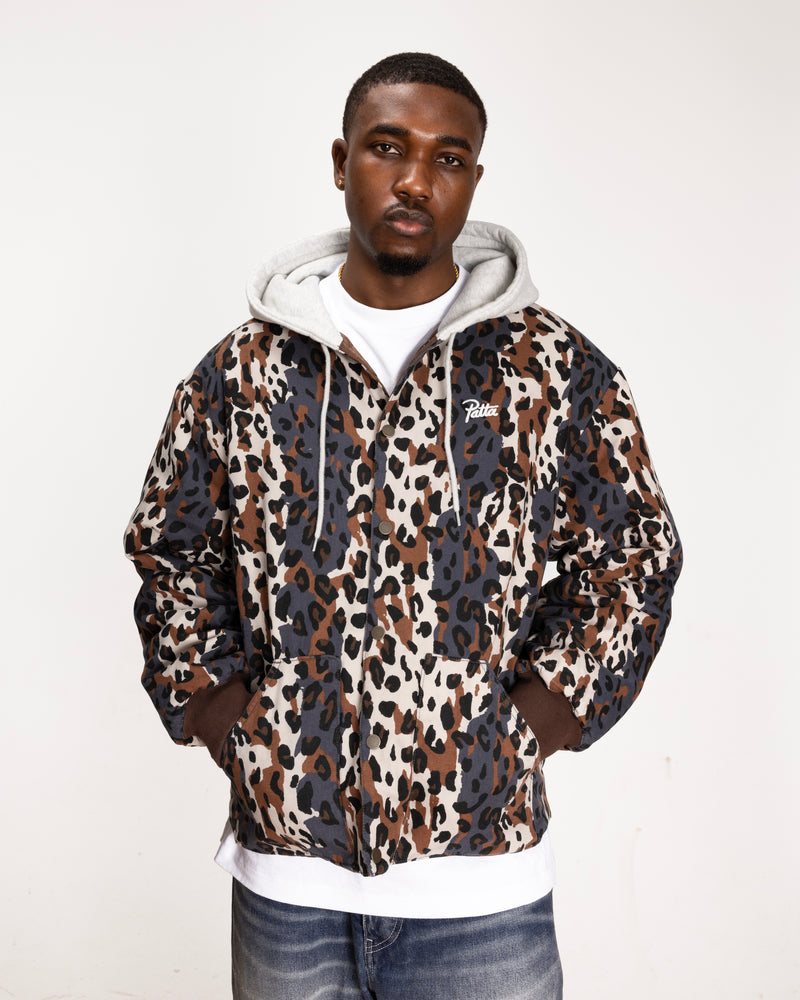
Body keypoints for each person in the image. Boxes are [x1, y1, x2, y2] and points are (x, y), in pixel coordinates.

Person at [125, 52, 682, 1000]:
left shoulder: (552, 370)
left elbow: (634, 558)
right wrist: (229, 719)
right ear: (342, 162)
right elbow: (172, 551)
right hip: (287, 882)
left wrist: (524, 727)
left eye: (447, 158)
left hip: (485, 888)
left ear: (473, 180)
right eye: (388, 148)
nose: (416, 180)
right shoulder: (242, 372)